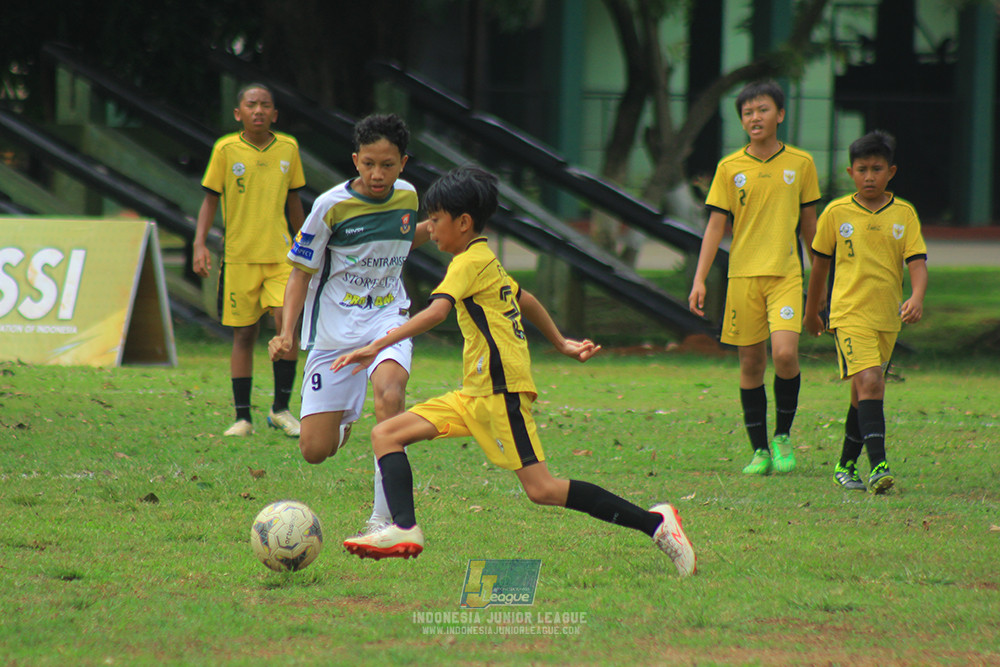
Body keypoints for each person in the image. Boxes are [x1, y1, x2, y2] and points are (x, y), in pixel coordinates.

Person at [333, 166, 697, 577]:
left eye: (435, 220)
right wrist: (560, 342)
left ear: (463, 222)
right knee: (386, 433)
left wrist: (377, 344)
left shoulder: (467, 263)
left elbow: (438, 311)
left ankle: (656, 524)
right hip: (474, 394)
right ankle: (403, 528)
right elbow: (527, 298)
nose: (429, 229)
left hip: (501, 393)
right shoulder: (485, 258)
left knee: (542, 490)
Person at [268, 113, 429, 532]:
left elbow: (406, 235)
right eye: (369, 164)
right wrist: (286, 332)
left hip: (386, 318)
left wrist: (450, 228)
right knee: (314, 450)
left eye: (388, 165)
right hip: (335, 335)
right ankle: (345, 421)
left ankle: (383, 520)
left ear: (403, 163)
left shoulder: (409, 197)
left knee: (391, 398)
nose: (378, 174)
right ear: (356, 160)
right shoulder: (329, 207)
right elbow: (301, 272)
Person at [688, 79, 820, 476]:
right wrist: (699, 279)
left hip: (785, 275)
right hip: (742, 278)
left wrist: (823, 279)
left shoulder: (800, 164)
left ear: (779, 114)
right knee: (750, 364)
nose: (755, 117)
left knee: (783, 354)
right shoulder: (730, 168)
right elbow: (715, 227)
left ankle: (782, 436)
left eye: (763, 110)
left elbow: (810, 228)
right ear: (742, 121)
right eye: (747, 112)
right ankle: (760, 450)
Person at [804, 130, 927, 494]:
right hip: (848, 315)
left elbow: (917, 263)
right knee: (872, 380)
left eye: (876, 168)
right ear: (850, 172)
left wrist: (917, 297)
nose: (869, 176)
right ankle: (879, 467)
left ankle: (845, 465)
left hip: (887, 318)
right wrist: (813, 312)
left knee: (864, 393)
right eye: (862, 169)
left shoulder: (903, 214)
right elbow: (820, 269)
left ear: (891, 171)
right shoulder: (835, 213)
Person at [193, 83, 306, 438]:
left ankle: (281, 409)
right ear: (238, 112)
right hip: (240, 257)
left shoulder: (288, 147)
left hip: (281, 256)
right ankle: (243, 417)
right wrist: (200, 244)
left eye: (265, 105)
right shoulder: (225, 149)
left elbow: (294, 201)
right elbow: (210, 200)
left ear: (274, 114)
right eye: (251, 104)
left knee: (285, 326)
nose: (258, 110)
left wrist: (307, 245)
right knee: (244, 334)